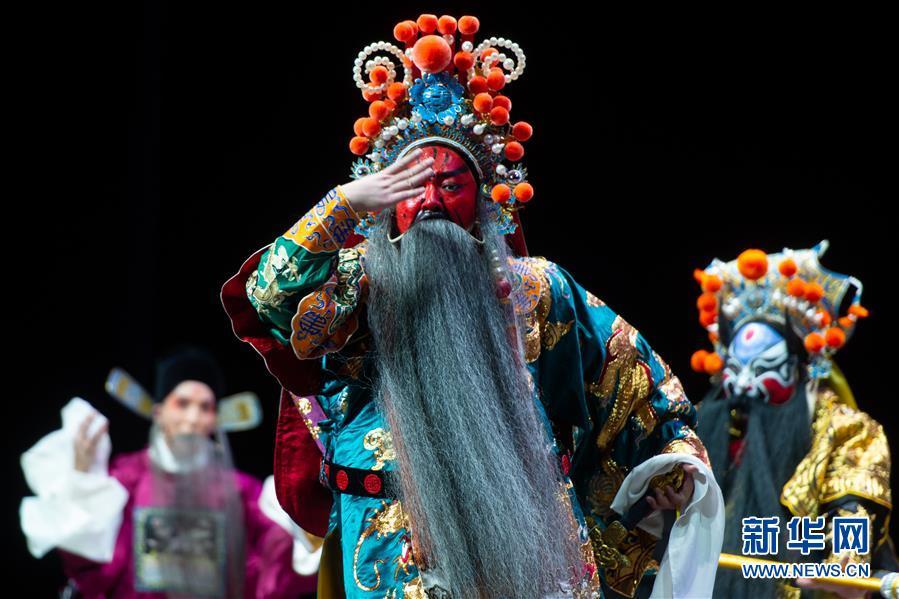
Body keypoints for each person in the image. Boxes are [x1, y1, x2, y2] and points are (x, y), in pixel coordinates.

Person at [222, 14, 723, 599]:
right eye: (411, 186)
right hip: (391, 546)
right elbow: (271, 299)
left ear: (484, 202)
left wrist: (675, 459)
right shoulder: (359, 288)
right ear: (387, 201)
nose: (431, 200)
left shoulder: (537, 290)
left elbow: (633, 384)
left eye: (452, 185)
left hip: (528, 539)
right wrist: (342, 206)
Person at [20, 348, 319, 598]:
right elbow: (93, 570)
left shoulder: (241, 493)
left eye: (205, 407)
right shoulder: (125, 480)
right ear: (159, 411)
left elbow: (271, 568)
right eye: (182, 404)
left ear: (216, 418)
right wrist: (82, 479)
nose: (193, 417)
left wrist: (308, 525)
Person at [691, 243, 896, 598]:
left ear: (802, 369)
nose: (744, 384)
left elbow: (854, 506)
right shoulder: (708, 427)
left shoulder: (845, 429)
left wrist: (846, 562)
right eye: (735, 369)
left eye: (765, 369)